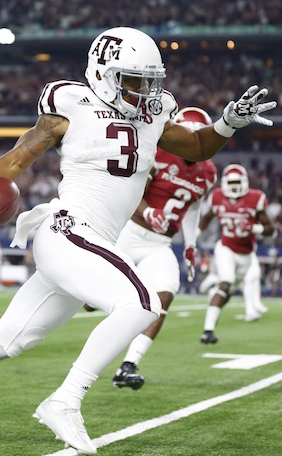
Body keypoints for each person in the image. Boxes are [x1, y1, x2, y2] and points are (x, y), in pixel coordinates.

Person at [0, 27, 276, 455]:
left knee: (9, 339)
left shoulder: (154, 112)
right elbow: (20, 155)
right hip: (68, 228)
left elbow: (197, 146)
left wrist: (227, 123)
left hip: (93, 242)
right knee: (142, 304)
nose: (145, 90)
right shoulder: (72, 104)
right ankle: (65, 400)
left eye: (150, 80)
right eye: (134, 79)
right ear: (104, 73)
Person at [105, 106, 217, 390]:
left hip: (160, 243)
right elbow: (129, 192)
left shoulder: (208, 171)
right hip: (129, 233)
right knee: (91, 302)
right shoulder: (157, 153)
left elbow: (192, 208)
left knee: (164, 296)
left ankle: (128, 365)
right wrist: (148, 211)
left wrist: (190, 243)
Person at [198, 163, 276, 344]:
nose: (234, 187)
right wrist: (193, 237)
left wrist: (253, 228)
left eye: (237, 183)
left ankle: (214, 292)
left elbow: (271, 230)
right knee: (226, 281)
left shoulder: (255, 198)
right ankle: (208, 330)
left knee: (229, 291)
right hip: (225, 247)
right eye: (231, 183)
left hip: (246, 255)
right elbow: (206, 218)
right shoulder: (217, 197)